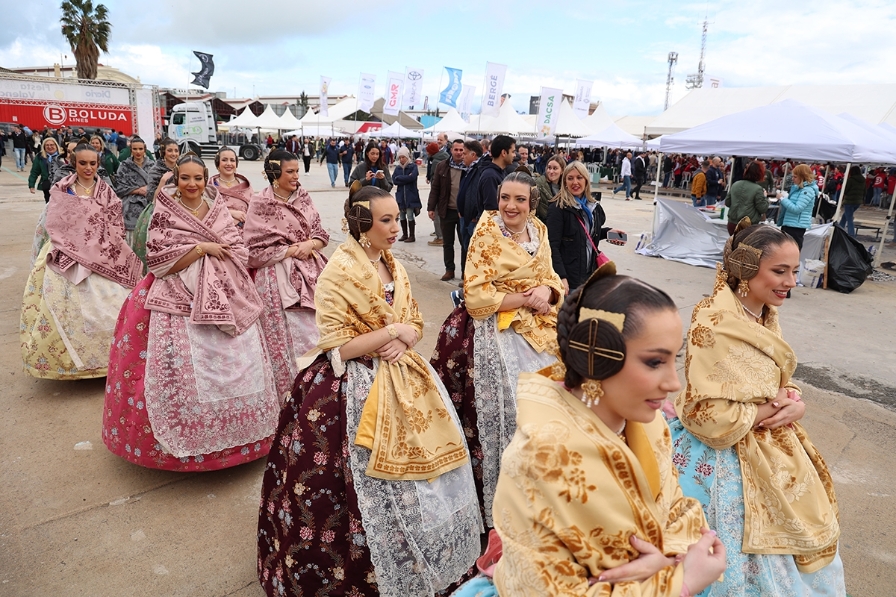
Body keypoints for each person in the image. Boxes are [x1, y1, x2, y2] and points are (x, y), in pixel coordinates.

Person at [257, 185, 482, 597]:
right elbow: (338, 345)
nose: (396, 227)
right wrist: (393, 331)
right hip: (353, 383)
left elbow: (414, 320)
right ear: (363, 225)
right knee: (352, 481)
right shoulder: (338, 271)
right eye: (386, 220)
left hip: (403, 374)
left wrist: (406, 335)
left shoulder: (392, 265)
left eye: (396, 218)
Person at [483, 262, 727, 597]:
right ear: (596, 357)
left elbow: (680, 511)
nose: (673, 382)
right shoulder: (537, 459)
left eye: (674, 360)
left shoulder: (651, 425)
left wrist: (664, 560)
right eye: (655, 362)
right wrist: (678, 584)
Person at [668, 221, 846, 595]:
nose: (791, 282)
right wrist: (770, 411)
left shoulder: (763, 312)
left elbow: (778, 378)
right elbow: (707, 412)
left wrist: (794, 401)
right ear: (746, 270)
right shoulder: (713, 319)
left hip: (772, 441)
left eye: (794, 271)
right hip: (723, 454)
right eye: (780, 271)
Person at [102, 153, 279, 471]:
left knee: (236, 361)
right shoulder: (164, 208)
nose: (192, 184)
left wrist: (218, 254)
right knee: (176, 366)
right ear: (176, 178)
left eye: (198, 178)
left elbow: (236, 246)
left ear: (205, 178)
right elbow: (157, 256)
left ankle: (242, 434)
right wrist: (201, 249)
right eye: (185, 178)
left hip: (225, 290)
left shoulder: (217, 205)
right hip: (175, 293)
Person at [431, 171, 564, 530]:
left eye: (519, 199)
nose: (510, 206)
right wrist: (526, 296)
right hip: (493, 325)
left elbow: (551, 277)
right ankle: (501, 496)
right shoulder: (486, 232)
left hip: (537, 324)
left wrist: (548, 293)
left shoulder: (539, 230)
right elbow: (475, 296)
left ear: (531, 203)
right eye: (505, 197)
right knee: (509, 410)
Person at [21, 144, 142, 380]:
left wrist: (103, 242)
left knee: (114, 303)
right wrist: (76, 245)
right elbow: (55, 223)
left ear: (99, 164)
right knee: (64, 304)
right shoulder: (63, 189)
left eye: (93, 163)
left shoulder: (106, 191)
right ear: (74, 163)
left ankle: (112, 361)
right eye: (83, 163)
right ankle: (75, 365)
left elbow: (115, 223)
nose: (88, 168)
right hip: (68, 252)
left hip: (102, 251)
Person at [244, 150, 328, 401]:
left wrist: (310, 244)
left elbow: (321, 233)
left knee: (314, 332)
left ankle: (316, 389)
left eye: (296, 171)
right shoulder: (261, 203)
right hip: (273, 279)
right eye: (289, 172)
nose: (295, 176)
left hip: (311, 273)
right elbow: (252, 250)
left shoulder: (304, 197)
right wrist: (290, 250)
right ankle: (285, 394)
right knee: (279, 337)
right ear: (274, 173)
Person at [547, 161, 627, 295]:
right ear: (564, 181)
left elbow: (585, 234)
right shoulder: (557, 208)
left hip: (590, 275)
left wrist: (607, 233)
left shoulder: (593, 207)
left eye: (579, 177)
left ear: (586, 180)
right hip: (570, 279)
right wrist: (561, 276)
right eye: (570, 178)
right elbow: (552, 246)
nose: (575, 182)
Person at [131, 138, 180, 271]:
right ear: (163, 153)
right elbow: (151, 197)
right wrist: (163, 181)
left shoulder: (182, 168)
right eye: (170, 150)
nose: (174, 153)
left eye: (176, 150)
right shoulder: (155, 170)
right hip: (159, 211)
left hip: (180, 211)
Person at [461, 134, 515, 244]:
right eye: (513, 151)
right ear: (504, 153)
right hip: (491, 233)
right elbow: (492, 210)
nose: (515, 155)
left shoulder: (500, 172)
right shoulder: (490, 176)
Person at [428, 139, 467, 280]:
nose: (458, 152)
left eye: (461, 150)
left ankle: (465, 272)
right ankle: (449, 269)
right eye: (456, 149)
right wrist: (431, 207)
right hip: (447, 210)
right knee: (447, 243)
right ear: (451, 150)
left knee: (465, 244)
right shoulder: (442, 166)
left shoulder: (469, 167)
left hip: (463, 213)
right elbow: (435, 188)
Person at [114, 137, 154, 243]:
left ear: (144, 150)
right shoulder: (124, 166)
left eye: (140, 149)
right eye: (135, 149)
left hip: (149, 203)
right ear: (131, 150)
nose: (138, 152)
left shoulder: (152, 166)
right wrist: (138, 190)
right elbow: (119, 189)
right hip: (130, 203)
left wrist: (149, 190)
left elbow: (158, 186)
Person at [209, 147, 254, 232]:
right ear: (217, 163)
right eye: (224, 160)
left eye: (232, 160)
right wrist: (231, 213)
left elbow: (254, 210)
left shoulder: (245, 185)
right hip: (219, 231)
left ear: (236, 163)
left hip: (246, 229)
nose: (229, 163)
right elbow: (207, 211)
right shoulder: (210, 186)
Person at [779, 163, 818, 252]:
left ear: (802, 176)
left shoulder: (807, 191)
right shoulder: (799, 189)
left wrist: (782, 199)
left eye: (795, 177)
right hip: (790, 224)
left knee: (791, 251)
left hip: (796, 226)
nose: (792, 179)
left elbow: (797, 209)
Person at [724, 160, 769, 235]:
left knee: (733, 245)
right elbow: (762, 208)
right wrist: (764, 197)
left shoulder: (736, 184)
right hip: (747, 225)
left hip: (732, 223)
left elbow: (728, 202)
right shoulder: (757, 189)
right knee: (744, 246)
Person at [392, 146, 421, 243]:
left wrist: (400, 178)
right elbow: (394, 180)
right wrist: (405, 178)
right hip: (401, 196)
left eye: (403, 157)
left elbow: (412, 177)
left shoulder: (413, 166)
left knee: (410, 215)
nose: (401, 159)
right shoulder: (398, 168)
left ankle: (412, 236)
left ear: (407, 157)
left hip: (411, 196)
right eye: (400, 157)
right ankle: (405, 234)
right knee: (402, 216)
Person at [427, 135, 450, 246]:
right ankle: (442, 234)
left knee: (436, 212)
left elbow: (435, 179)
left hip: (439, 191)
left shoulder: (436, 161)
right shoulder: (445, 157)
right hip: (445, 190)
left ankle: (440, 237)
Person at [533, 154, 566, 222]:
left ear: (562, 171)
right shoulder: (539, 185)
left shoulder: (566, 188)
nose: (551, 171)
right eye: (549, 168)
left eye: (555, 168)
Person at [27, 137, 61, 203]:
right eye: (47, 145)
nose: (49, 147)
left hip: (61, 184)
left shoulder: (62, 156)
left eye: (52, 145)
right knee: (49, 204)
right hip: (47, 184)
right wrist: (31, 185)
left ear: (56, 145)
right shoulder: (40, 157)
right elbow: (34, 171)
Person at [838, 165, 865, 237]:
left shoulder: (850, 180)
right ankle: (840, 228)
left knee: (849, 218)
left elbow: (845, 190)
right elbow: (865, 191)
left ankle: (851, 235)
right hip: (858, 201)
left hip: (849, 201)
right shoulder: (863, 180)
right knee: (846, 215)